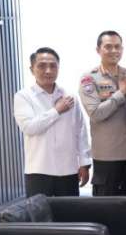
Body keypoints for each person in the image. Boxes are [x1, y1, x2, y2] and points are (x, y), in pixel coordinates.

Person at [14, 47, 92, 197]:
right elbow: (29, 127)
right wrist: (56, 111)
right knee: (39, 211)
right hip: (39, 170)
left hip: (68, 170)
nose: (48, 71)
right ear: (32, 69)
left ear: (58, 68)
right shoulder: (23, 96)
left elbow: (80, 132)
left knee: (69, 211)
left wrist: (84, 163)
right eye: (42, 66)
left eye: (53, 66)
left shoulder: (70, 97)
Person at [79, 30, 126, 196]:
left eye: (117, 46)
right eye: (108, 47)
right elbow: (96, 114)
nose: (114, 50)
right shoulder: (89, 79)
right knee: (106, 207)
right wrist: (122, 92)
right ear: (98, 50)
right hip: (107, 157)